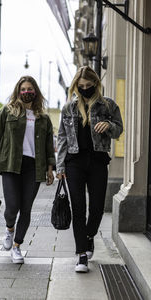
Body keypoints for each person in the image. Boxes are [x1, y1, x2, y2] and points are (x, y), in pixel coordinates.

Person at [0, 76, 55, 264]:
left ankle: (17, 246)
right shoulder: (8, 112)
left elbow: (48, 146)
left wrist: (50, 169)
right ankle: (9, 229)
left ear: (35, 92)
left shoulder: (43, 118)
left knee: (26, 209)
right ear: (18, 91)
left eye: (30, 89)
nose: (26, 92)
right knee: (12, 207)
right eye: (23, 89)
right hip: (11, 165)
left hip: (34, 167)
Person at [56, 66, 123, 273]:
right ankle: (81, 254)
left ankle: (88, 236)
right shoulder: (69, 108)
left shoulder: (108, 105)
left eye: (88, 85)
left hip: (98, 161)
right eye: (80, 86)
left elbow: (119, 128)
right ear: (76, 86)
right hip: (74, 163)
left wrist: (109, 126)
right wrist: (60, 166)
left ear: (96, 84)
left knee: (96, 208)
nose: (84, 89)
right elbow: (62, 137)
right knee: (78, 208)